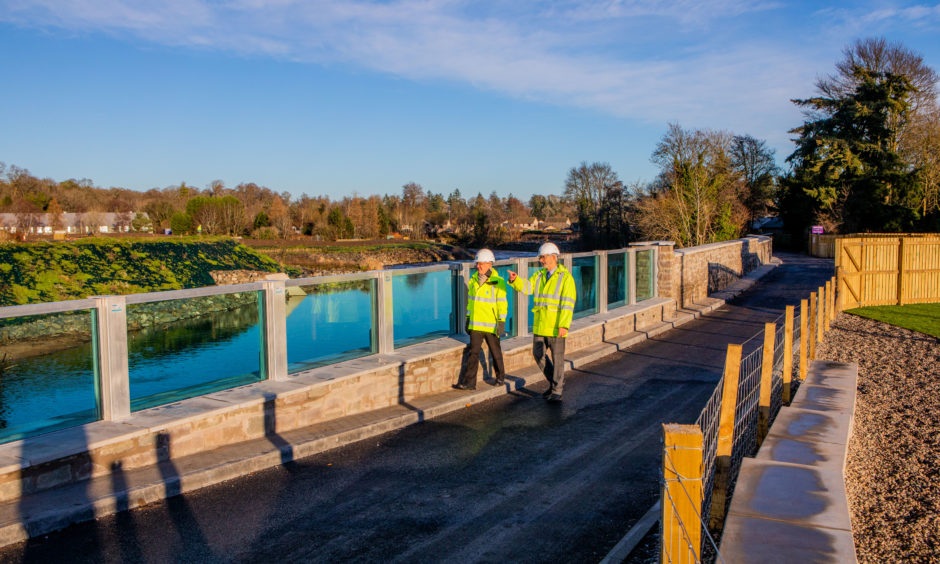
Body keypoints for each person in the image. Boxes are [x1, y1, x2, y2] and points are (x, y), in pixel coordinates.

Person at [507, 242, 576, 402]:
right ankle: (555, 382)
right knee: (538, 354)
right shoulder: (538, 276)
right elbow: (528, 287)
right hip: (540, 325)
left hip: (556, 326)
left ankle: (557, 390)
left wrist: (564, 325)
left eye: (543, 257)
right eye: (540, 257)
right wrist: (515, 280)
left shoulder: (566, 278)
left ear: (553, 257)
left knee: (558, 359)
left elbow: (568, 303)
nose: (541, 260)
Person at [453, 249, 508, 390]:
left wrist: (501, 321)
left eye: (481, 264)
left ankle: (500, 377)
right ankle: (469, 383)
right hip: (476, 324)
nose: (478, 266)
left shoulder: (498, 281)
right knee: (473, 354)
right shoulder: (473, 281)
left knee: (495, 352)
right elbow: (471, 303)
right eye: (477, 264)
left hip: (491, 325)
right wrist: (468, 318)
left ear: (490, 264)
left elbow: (502, 304)